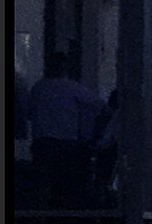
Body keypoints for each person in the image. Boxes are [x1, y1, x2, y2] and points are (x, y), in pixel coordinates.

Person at [27, 51, 105, 209]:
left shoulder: (38, 88)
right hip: (66, 145)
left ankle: (41, 218)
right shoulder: (72, 88)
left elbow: (30, 114)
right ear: (65, 68)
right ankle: (63, 216)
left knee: (43, 184)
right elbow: (101, 107)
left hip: (42, 143)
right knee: (67, 185)